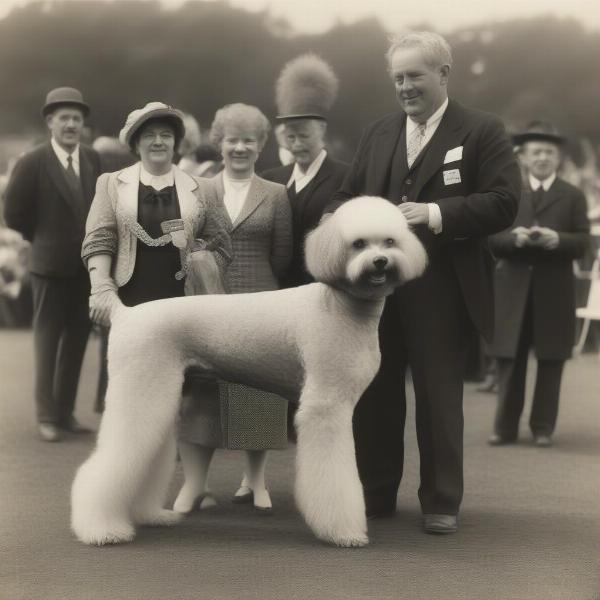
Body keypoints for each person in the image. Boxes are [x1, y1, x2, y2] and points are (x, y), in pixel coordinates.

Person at [329, 31, 521, 534]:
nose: (405, 87)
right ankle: (374, 494)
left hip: (443, 288)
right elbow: (349, 195)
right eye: (398, 78)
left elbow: (504, 203)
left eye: (415, 75)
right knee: (374, 393)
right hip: (375, 293)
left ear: (443, 74)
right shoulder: (378, 133)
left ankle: (441, 502)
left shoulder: (482, 130)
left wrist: (434, 212)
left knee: (438, 398)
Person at [175, 103, 292, 514]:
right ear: (219, 143)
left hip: (261, 300)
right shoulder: (197, 188)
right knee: (200, 392)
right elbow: (187, 245)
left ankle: (255, 482)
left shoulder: (277, 194)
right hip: (208, 301)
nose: (239, 147)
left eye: (248, 140)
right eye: (231, 140)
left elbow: (283, 255)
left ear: (261, 146)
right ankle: (193, 485)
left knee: (259, 391)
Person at [81, 101, 231, 411]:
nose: (158, 141)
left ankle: (172, 449)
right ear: (136, 143)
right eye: (149, 135)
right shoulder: (111, 184)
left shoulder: (203, 188)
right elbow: (100, 237)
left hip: (182, 300)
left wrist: (199, 256)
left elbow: (222, 242)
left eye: (166, 134)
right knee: (130, 385)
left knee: (179, 385)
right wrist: (101, 287)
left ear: (177, 142)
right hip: (130, 298)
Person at [3, 87, 102, 442]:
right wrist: (42, 237)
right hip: (47, 265)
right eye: (65, 118)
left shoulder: (92, 159)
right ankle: (46, 416)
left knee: (76, 339)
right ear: (50, 123)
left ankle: (65, 412)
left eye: (77, 119)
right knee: (47, 341)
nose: (72, 125)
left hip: (84, 267)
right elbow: (12, 213)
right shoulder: (33, 161)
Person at [487, 122, 590, 447]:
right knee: (509, 360)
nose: (543, 158)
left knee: (551, 359)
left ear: (558, 158)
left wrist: (557, 239)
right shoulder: (508, 193)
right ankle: (503, 428)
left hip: (553, 290)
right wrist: (512, 239)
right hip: (512, 290)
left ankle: (543, 427)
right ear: (523, 157)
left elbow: (584, 242)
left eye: (549, 152)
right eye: (536, 152)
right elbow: (488, 240)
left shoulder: (572, 196)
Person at [262, 54, 348, 288]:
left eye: (304, 136)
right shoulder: (272, 178)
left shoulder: (346, 178)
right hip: (277, 290)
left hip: (324, 288)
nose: (297, 144)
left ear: (322, 131)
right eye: (291, 137)